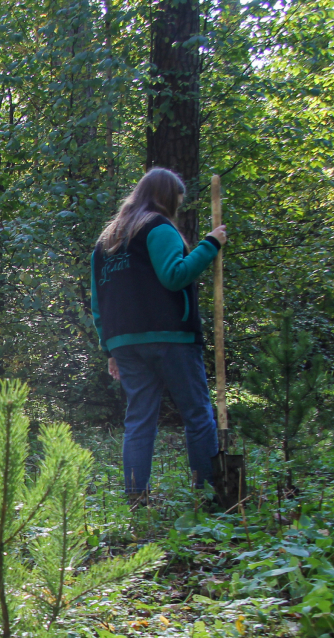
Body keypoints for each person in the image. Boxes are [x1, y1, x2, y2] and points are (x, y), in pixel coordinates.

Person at [89, 167, 228, 503]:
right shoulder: (159, 227)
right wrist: (210, 245)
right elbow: (174, 276)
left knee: (139, 420)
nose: (177, 209)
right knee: (197, 415)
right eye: (177, 202)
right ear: (167, 199)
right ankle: (207, 496)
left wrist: (109, 347)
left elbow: (98, 302)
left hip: (125, 342)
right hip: (170, 337)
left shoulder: (106, 243)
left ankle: (135, 499)